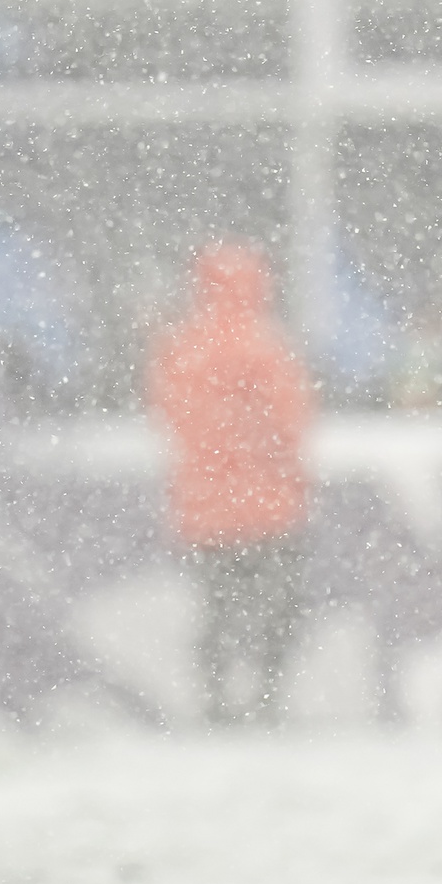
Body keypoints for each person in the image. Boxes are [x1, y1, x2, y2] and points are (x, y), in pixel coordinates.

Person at [148, 243, 314, 727]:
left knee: (217, 610)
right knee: (278, 609)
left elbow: (170, 417)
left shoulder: (182, 348)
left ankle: (215, 698)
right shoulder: (267, 348)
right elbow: (291, 423)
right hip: (269, 504)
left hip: (206, 508)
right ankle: (266, 695)